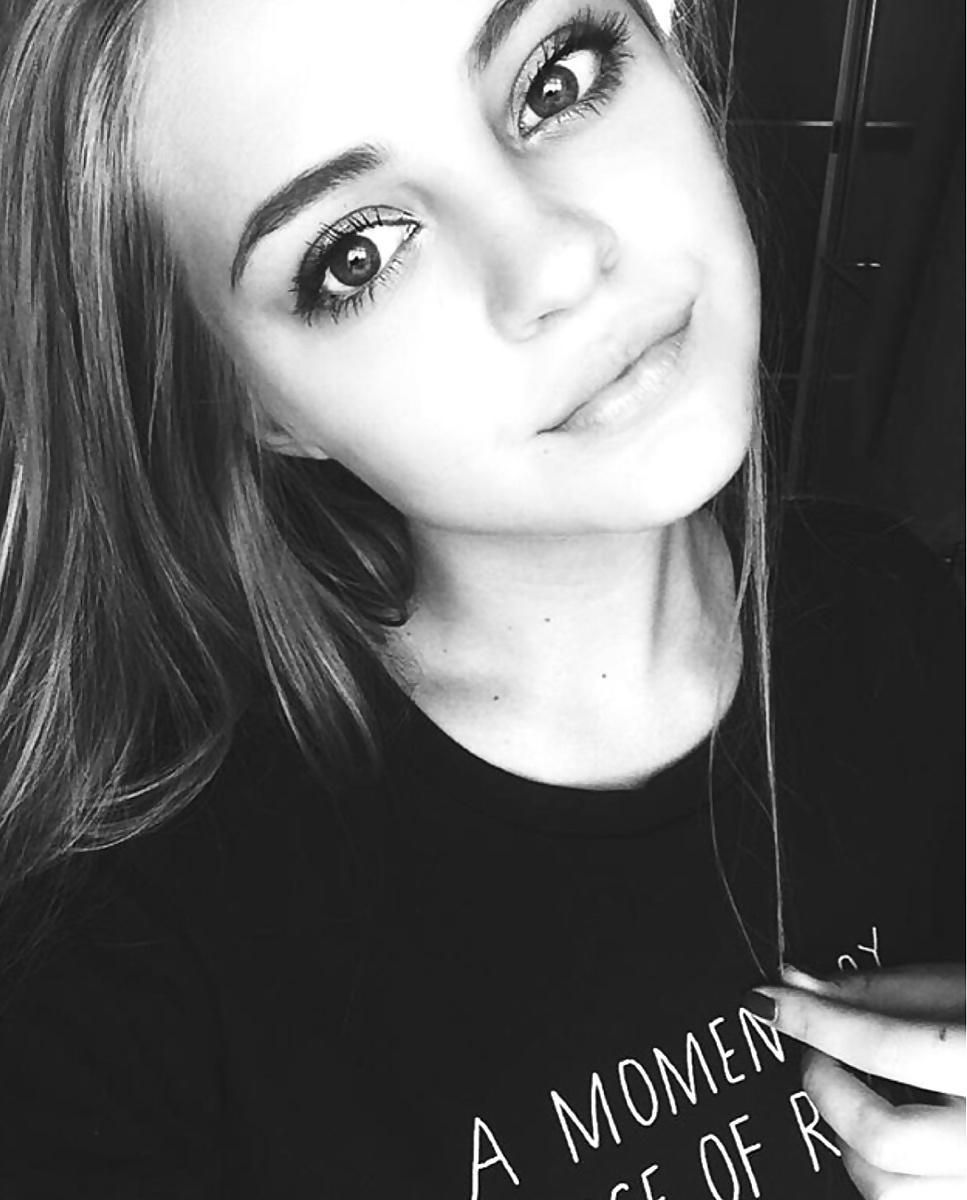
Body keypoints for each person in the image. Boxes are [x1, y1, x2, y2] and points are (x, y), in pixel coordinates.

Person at [0, 0, 962, 1196]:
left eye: (553, 82)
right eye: (355, 254)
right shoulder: (117, 971)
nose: (553, 261)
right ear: (253, 406)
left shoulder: (904, 616)